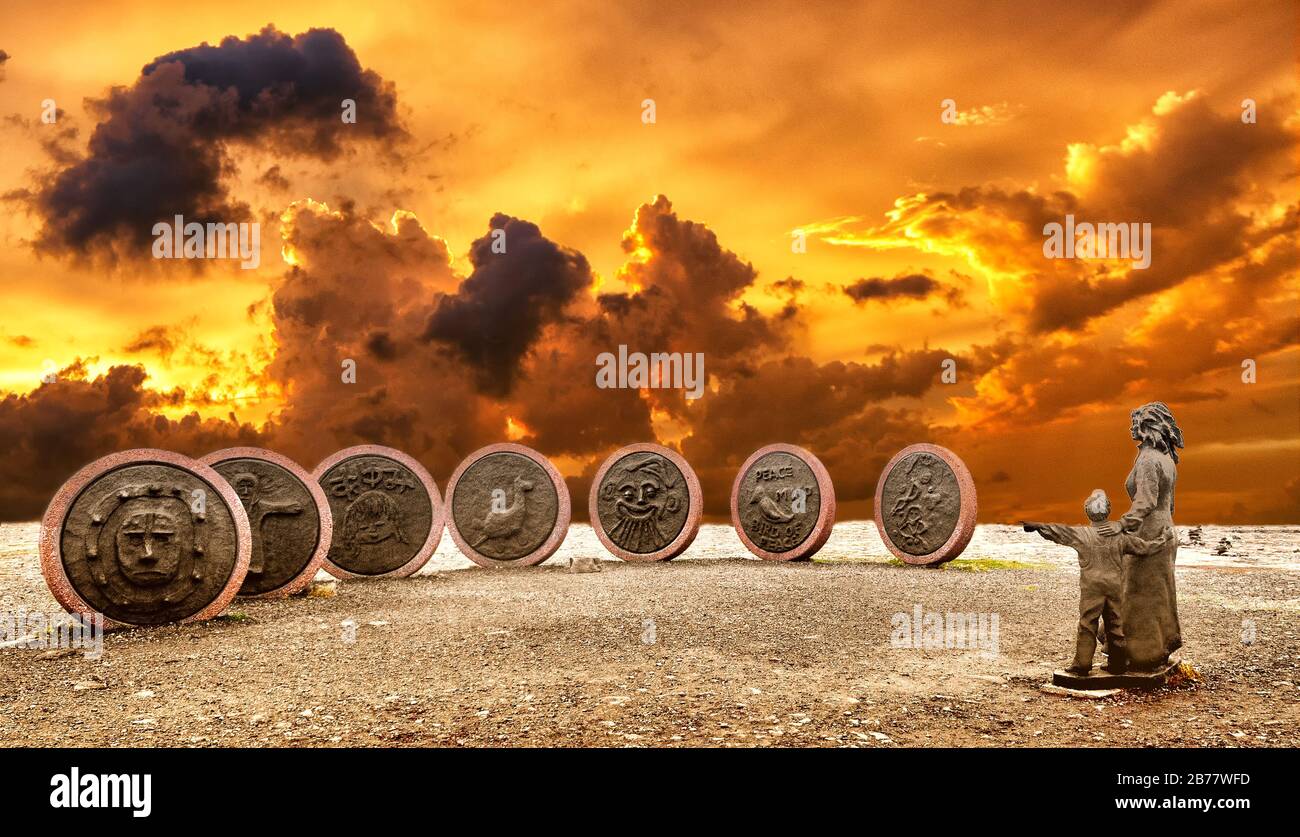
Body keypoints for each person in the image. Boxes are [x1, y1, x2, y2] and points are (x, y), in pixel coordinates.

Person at [1024, 489, 1169, 674]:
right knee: (1115, 625)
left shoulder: (1081, 534)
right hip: (1114, 586)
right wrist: (1164, 539)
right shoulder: (1119, 536)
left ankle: (1082, 664)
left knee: (1087, 624)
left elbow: (1056, 531)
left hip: (1091, 587)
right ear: (1108, 510)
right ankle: (1118, 664)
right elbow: (1145, 548)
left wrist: (1035, 526)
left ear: (1087, 510)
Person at [1097, 402, 1185, 670]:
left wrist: (1122, 525)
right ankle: (1157, 650)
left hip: (1147, 531)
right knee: (1157, 594)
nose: (1131, 427)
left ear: (1148, 425)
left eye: (1135, 422)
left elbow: (1146, 502)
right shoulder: (1167, 459)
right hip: (1165, 529)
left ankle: (1137, 655)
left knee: (1133, 594)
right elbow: (1168, 504)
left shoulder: (1148, 458)